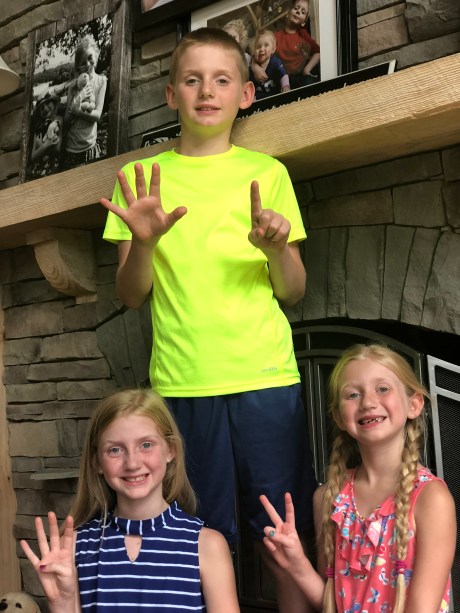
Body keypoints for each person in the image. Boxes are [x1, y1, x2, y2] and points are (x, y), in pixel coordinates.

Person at [100, 27, 317, 613]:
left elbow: (294, 291)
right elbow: (131, 295)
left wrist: (277, 249)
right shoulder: (139, 180)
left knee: (283, 536)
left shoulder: (268, 173)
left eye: (221, 80)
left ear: (245, 94)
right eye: (192, 80)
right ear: (171, 94)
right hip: (182, 386)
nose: (206, 91)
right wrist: (144, 243)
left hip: (266, 378)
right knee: (201, 540)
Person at [261, 343, 456, 613]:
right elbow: (330, 603)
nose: (367, 402)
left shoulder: (431, 499)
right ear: (338, 417)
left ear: (414, 404)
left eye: (382, 389)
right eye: (353, 394)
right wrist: (297, 565)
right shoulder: (329, 498)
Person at [20, 388, 239, 612]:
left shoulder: (207, 546)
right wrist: (61, 604)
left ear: (170, 450)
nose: (132, 463)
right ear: (97, 462)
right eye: (115, 450)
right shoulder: (75, 546)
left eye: (146, 445)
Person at [61, 33, 107, 170]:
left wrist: (76, 111)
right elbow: (66, 120)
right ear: (78, 66)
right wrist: (79, 96)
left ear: (96, 55)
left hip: (89, 147)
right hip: (71, 148)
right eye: (82, 62)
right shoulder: (73, 86)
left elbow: (97, 116)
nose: (87, 64)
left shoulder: (101, 81)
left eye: (90, 57)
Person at [253, 0, 320, 90]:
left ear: (304, 22)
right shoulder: (276, 36)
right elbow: (257, 52)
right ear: (288, 13)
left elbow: (317, 52)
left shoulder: (302, 34)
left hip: (300, 76)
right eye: (296, 8)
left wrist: (307, 69)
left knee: (311, 85)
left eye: (303, 12)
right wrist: (255, 67)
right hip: (282, 78)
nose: (298, 11)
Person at [28, 92, 63, 179]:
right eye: (42, 108)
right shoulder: (38, 129)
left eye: (47, 103)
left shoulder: (58, 120)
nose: (45, 108)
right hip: (37, 172)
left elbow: (57, 150)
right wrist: (46, 145)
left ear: (53, 103)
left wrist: (41, 146)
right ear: (39, 113)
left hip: (51, 170)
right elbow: (33, 157)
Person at [249, 29, 290, 99]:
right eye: (258, 47)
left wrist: (285, 86)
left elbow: (283, 75)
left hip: (275, 95)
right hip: (259, 98)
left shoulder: (275, 62)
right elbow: (249, 83)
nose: (261, 49)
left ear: (273, 49)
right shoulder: (251, 67)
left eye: (266, 45)